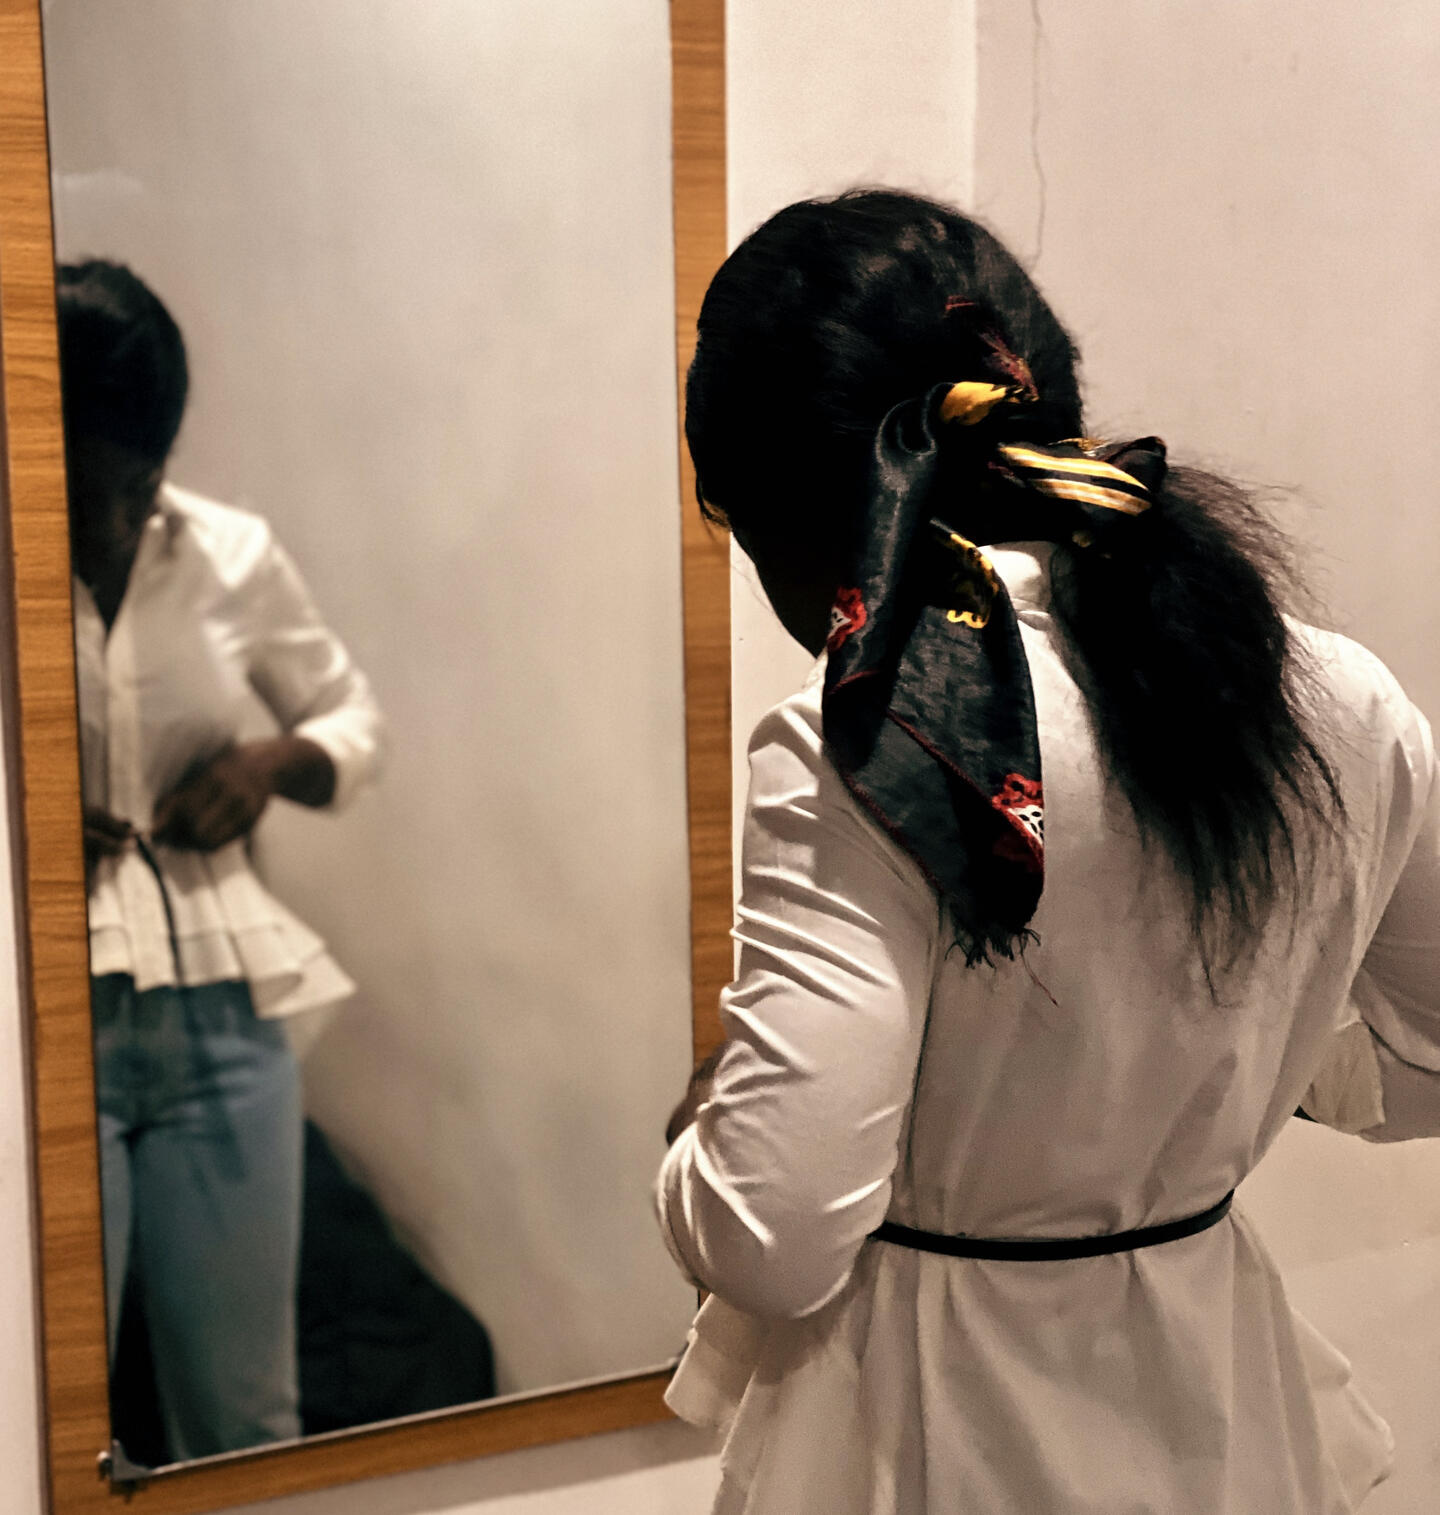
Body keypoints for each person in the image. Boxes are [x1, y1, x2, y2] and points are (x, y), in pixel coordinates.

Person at [654, 190, 1440, 1514]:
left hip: (926, 1422)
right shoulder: (1336, 692)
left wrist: (701, 1134)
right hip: (1219, 1400)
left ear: (800, 505)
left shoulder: (861, 729)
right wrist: (1197, 1059)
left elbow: (776, 1231)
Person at [58, 260, 385, 1461]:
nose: (109, 526)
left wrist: (265, 765)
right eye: (85, 488)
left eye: (136, 488)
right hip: (43, 1030)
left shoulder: (233, 554)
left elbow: (355, 721)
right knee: (43, 1420)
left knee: (246, 1429)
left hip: (227, 1032)